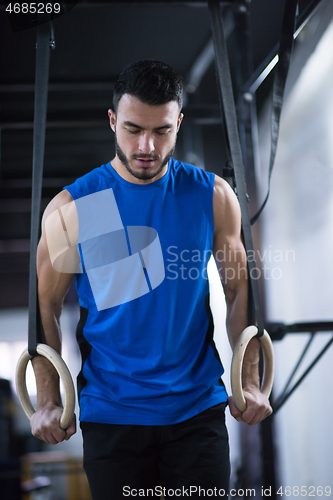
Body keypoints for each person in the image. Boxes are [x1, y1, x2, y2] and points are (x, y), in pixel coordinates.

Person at [31, 60, 272, 499]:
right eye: (132, 128)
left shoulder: (212, 196)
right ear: (112, 121)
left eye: (162, 130)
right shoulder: (75, 208)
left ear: (178, 122)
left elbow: (239, 288)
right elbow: (44, 303)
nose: (147, 145)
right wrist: (48, 398)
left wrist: (250, 379)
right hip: (113, 412)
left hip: (196, 408)